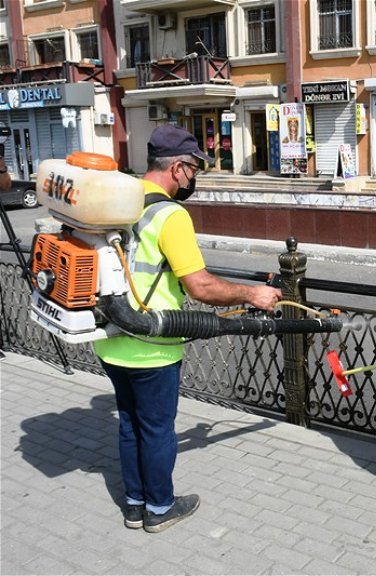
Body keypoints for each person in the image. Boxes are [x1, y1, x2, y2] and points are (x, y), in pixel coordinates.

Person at [94, 125, 282, 533]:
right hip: (152, 343)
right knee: (157, 430)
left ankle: (134, 504)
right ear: (177, 168)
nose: (193, 177)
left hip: (110, 337)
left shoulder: (117, 200)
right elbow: (201, 287)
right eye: (194, 169)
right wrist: (253, 294)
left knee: (129, 424)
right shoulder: (170, 214)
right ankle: (160, 508)